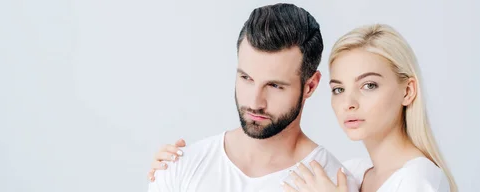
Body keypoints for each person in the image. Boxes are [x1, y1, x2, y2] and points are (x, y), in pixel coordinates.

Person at [147, 24, 458, 192]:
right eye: (339, 89)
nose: (349, 102)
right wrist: (175, 169)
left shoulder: (419, 181)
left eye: (369, 85)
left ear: (408, 90)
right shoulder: (355, 173)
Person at [147, 3, 358, 192]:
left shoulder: (334, 183)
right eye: (246, 78)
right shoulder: (179, 167)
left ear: (310, 86)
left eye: (275, 85)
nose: (255, 103)